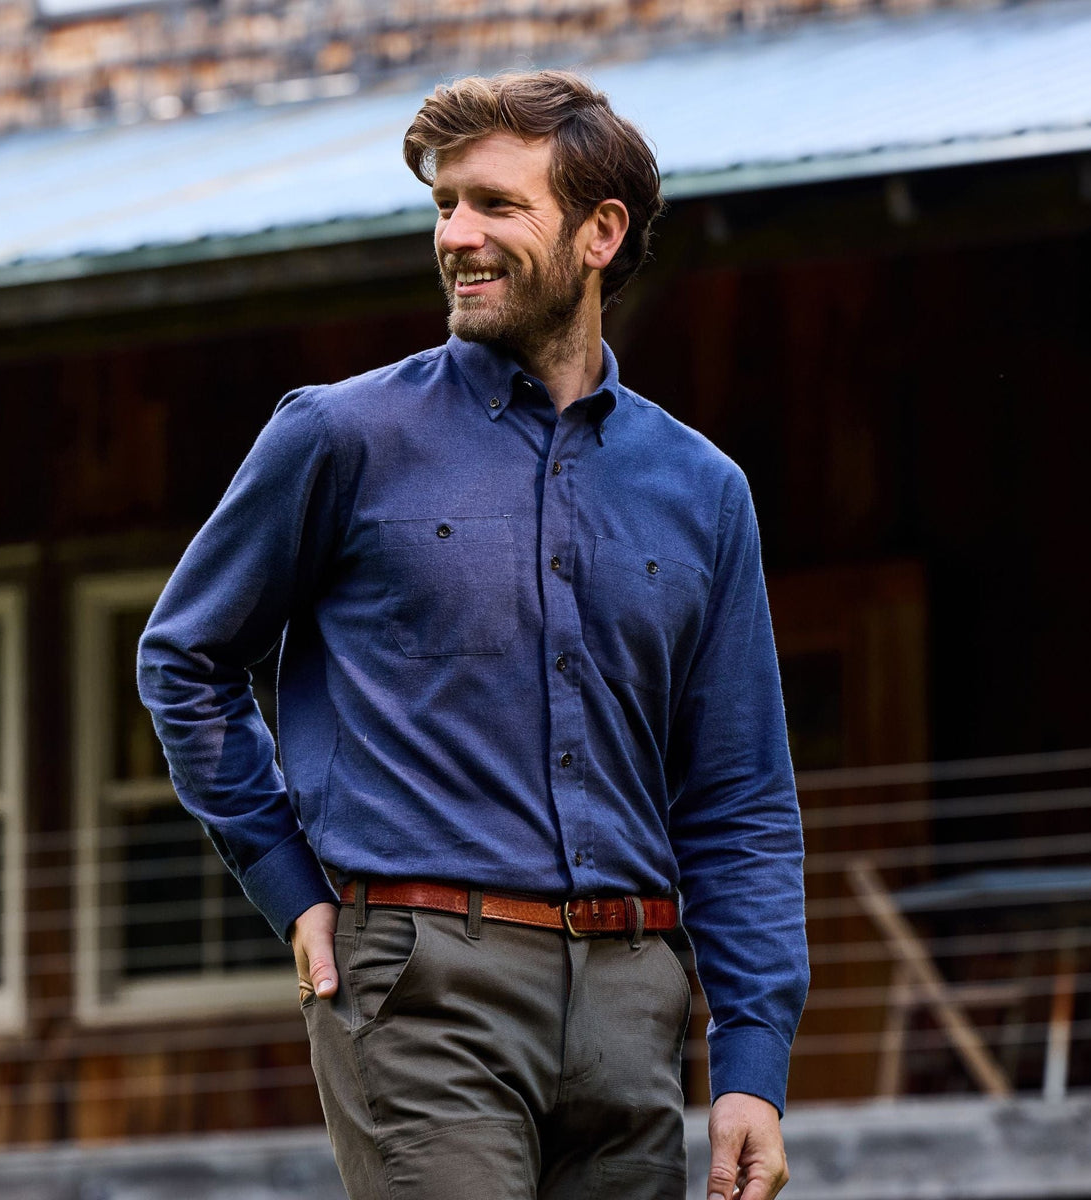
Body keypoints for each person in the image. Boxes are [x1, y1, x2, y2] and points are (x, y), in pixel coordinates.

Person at [138, 69, 807, 1200]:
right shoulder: (342, 437)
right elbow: (185, 658)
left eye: (495, 204)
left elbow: (738, 797)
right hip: (421, 984)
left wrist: (752, 1064)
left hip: (633, 1003)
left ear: (601, 233)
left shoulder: (704, 491)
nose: (456, 235)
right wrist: (289, 882)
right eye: (444, 205)